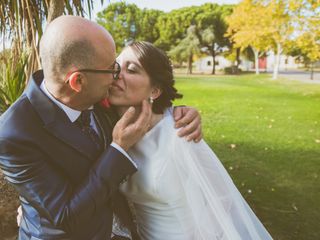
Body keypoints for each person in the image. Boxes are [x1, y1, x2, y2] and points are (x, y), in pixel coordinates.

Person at [0, 16, 202, 240]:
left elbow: (141, 100)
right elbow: (65, 215)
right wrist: (119, 148)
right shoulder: (13, 134)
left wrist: (176, 111)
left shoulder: (96, 97)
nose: (116, 77)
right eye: (112, 69)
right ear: (77, 82)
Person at [107, 41, 273, 240]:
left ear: (155, 91)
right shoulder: (106, 125)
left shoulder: (180, 133)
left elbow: (222, 202)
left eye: (131, 69)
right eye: (116, 66)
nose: (117, 74)